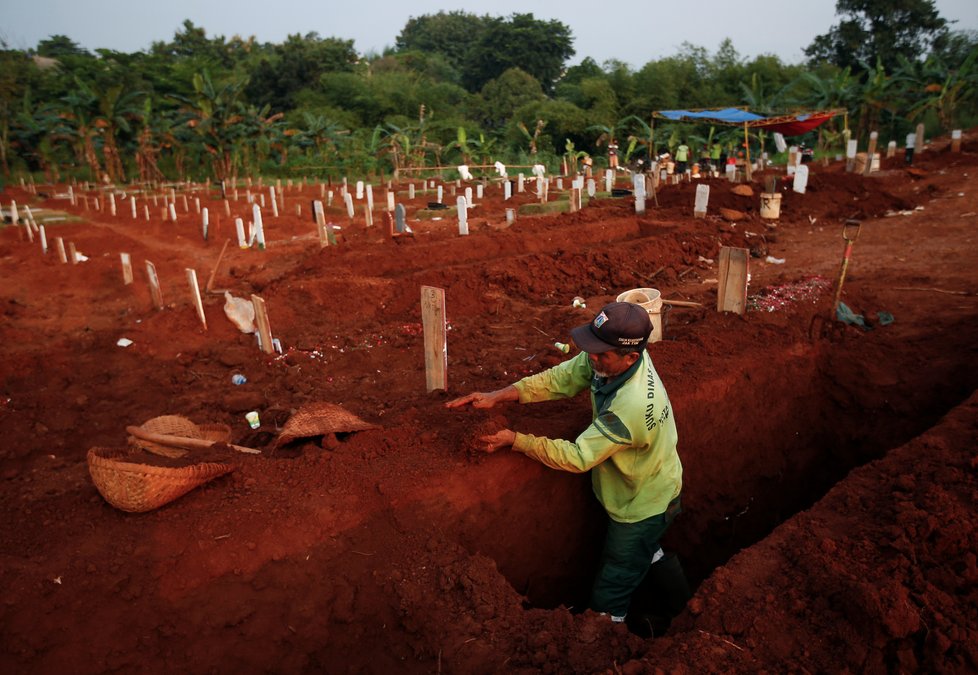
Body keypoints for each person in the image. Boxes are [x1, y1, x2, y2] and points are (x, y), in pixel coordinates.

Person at [446, 302, 688, 631]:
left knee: (613, 583)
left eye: (601, 354)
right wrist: (500, 395)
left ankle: (608, 636)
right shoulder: (614, 362)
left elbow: (578, 457)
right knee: (645, 550)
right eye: (592, 349)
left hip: (643, 504)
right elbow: (563, 377)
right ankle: (682, 608)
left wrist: (516, 440)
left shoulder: (630, 406)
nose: (592, 358)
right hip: (651, 480)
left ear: (630, 357)